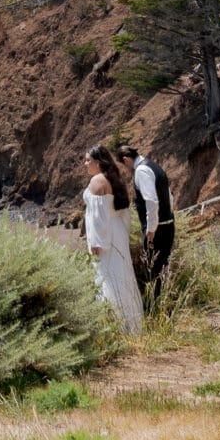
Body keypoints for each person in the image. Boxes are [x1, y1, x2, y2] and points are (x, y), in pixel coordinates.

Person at [82, 144, 144, 333]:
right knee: (122, 275)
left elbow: (97, 217)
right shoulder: (113, 178)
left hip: (106, 236)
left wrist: (96, 242)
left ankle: (113, 325)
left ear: (98, 162)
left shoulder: (97, 181)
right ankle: (131, 324)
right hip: (117, 232)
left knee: (108, 277)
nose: (85, 164)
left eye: (88, 160)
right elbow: (123, 213)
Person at [126, 141, 175, 299]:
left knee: (154, 268)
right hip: (168, 224)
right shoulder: (154, 166)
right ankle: (163, 303)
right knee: (163, 266)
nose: (125, 170)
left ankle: (156, 306)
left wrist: (151, 228)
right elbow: (169, 197)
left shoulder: (141, 171)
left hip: (157, 229)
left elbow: (151, 201)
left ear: (126, 160)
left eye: (123, 165)